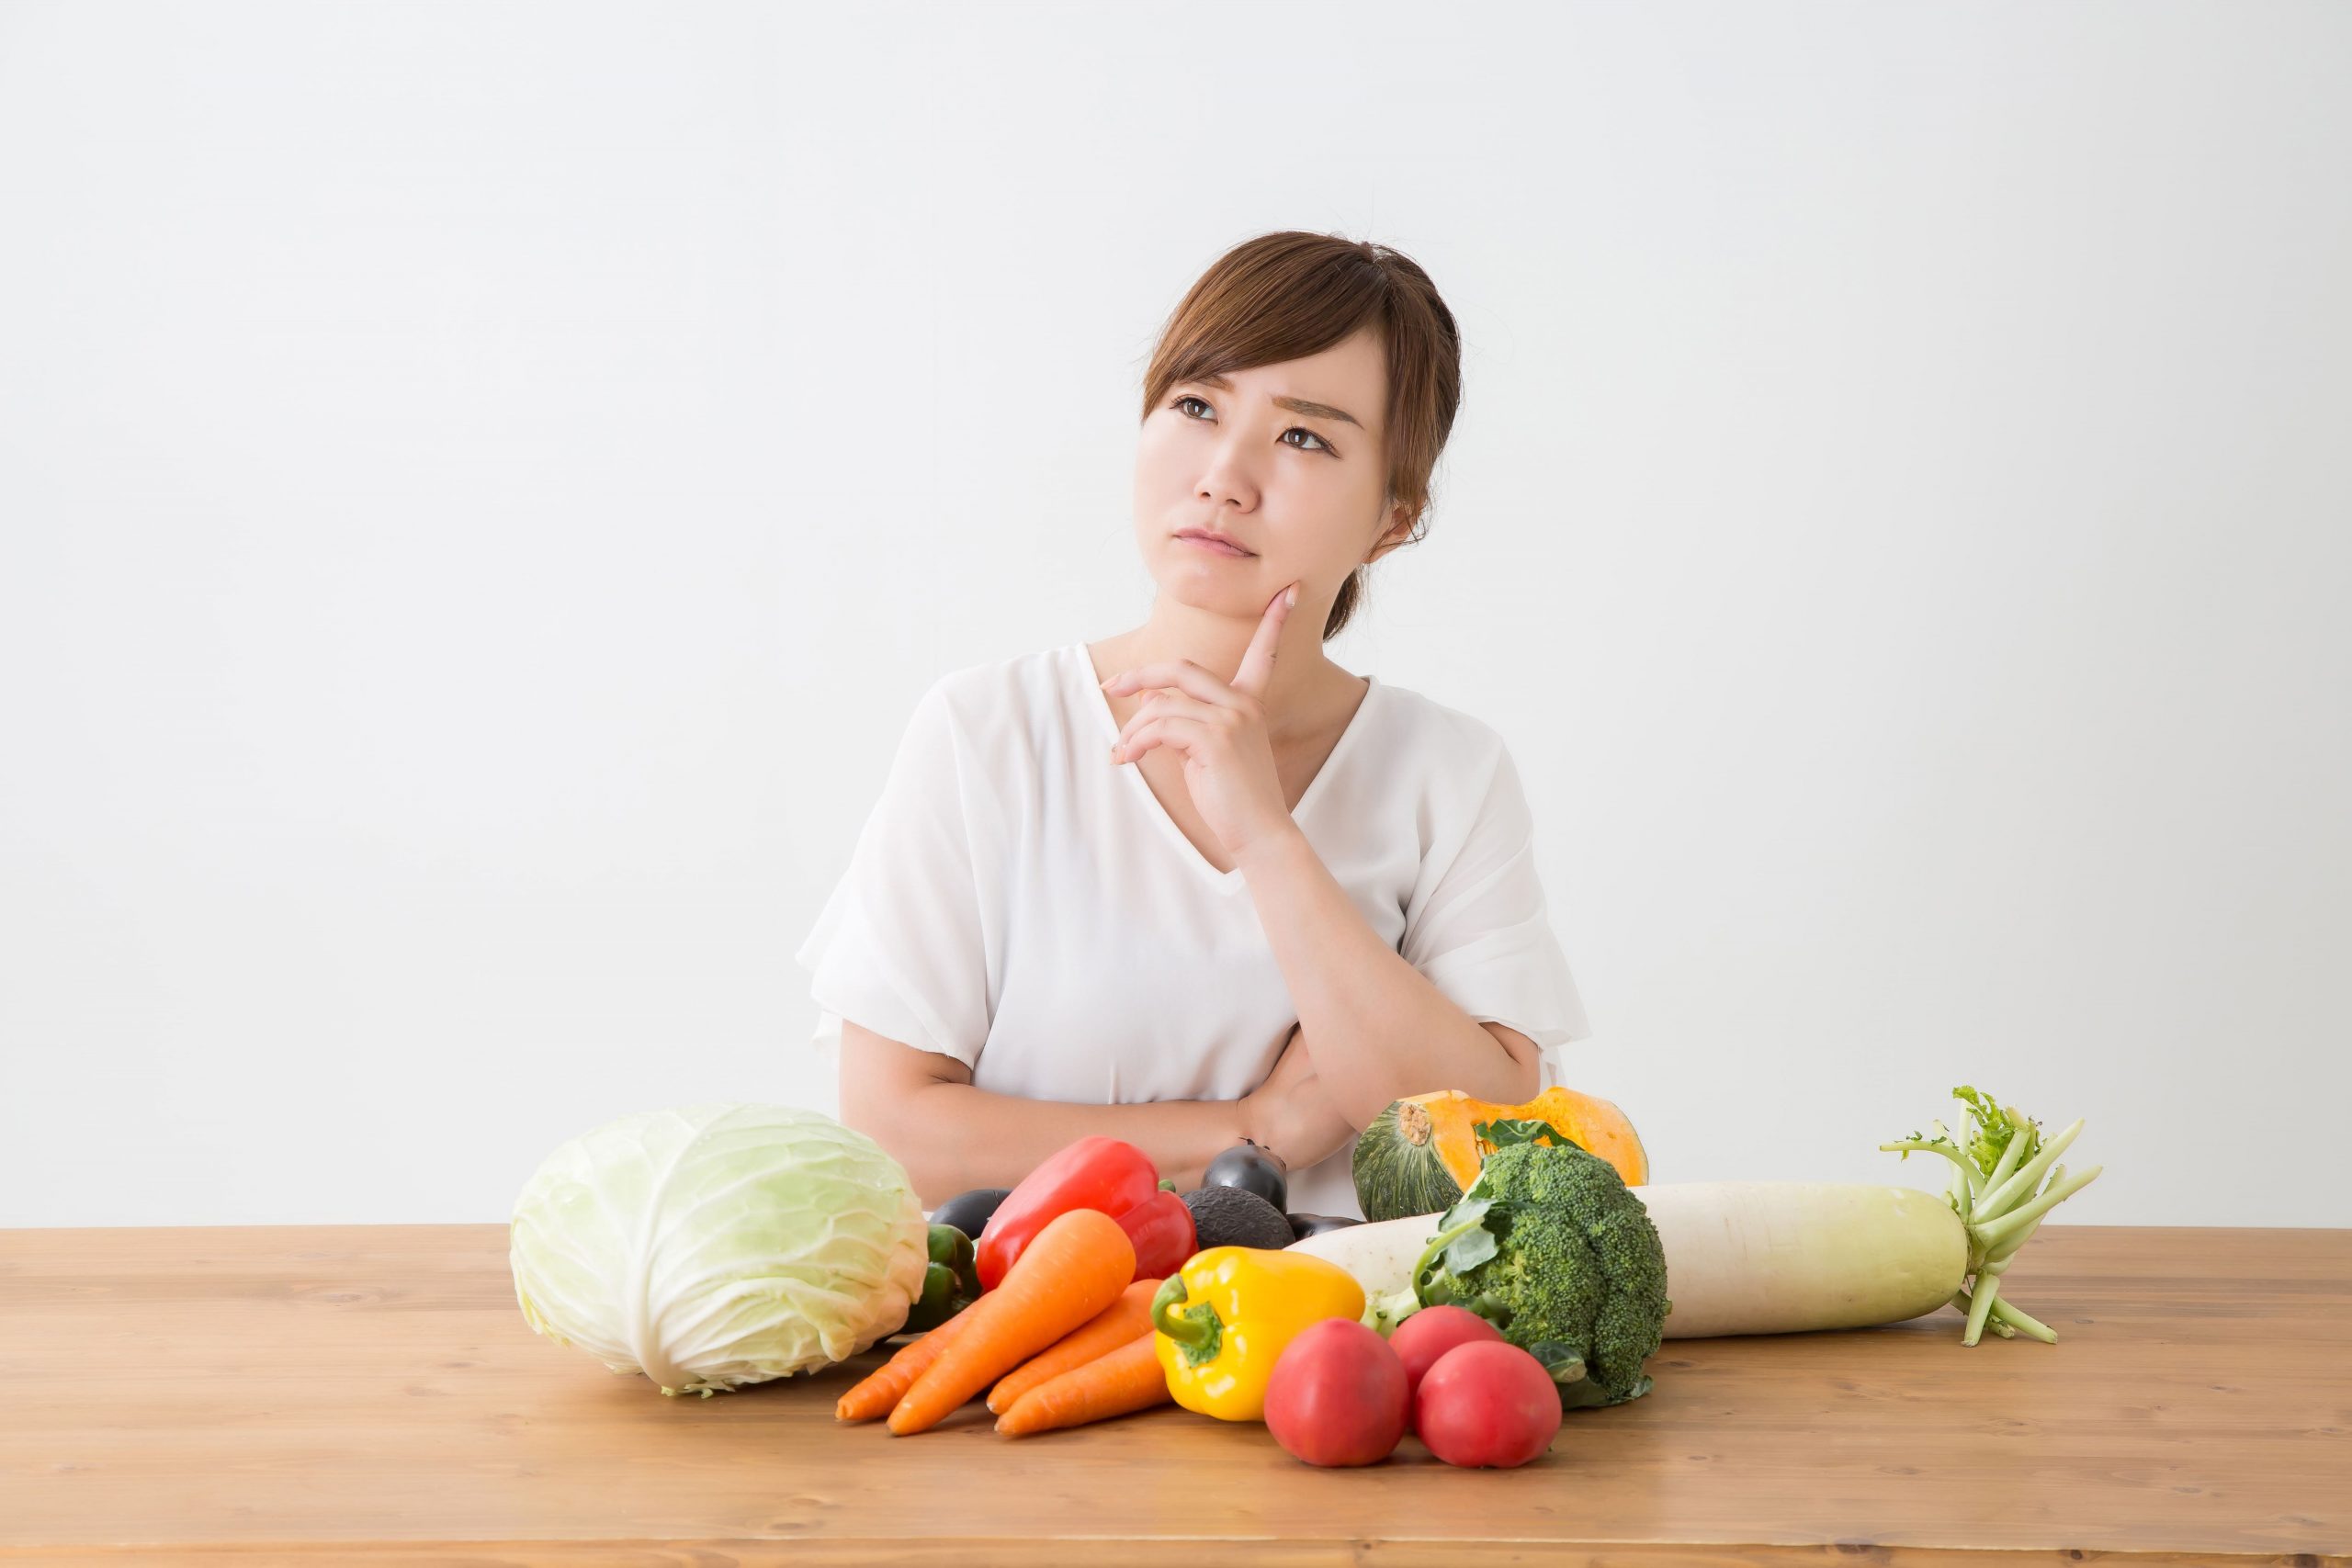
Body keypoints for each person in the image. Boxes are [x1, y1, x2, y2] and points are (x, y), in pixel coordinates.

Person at [795, 231, 1590, 1218]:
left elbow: (1499, 1140)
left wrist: (1266, 837)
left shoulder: (1447, 772)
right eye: (1196, 406)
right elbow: (894, 1137)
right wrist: (1253, 1133)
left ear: (1394, 517)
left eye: (1304, 436)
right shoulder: (988, 732)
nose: (1223, 474)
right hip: (1027, 1348)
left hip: (1339, 1353)